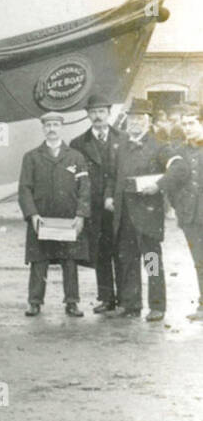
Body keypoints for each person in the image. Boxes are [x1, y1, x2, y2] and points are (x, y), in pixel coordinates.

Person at [109, 97, 191, 322]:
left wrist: (158, 185)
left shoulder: (159, 146)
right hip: (124, 215)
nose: (135, 123)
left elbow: (179, 168)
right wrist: (109, 197)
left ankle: (157, 306)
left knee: (152, 261)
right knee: (127, 261)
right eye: (132, 119)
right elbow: (113, 176)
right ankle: (130, 304)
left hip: (147, 216)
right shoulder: (121, 146)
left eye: (140, 118)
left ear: (149, 121)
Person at [18, 111, 91, 317]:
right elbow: (24, 189)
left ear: (61, 127)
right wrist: (32, 215)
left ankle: (72, 302)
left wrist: (81, 215)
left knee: (70, 261)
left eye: (55, 125)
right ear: (43, 128)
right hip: (41, 218)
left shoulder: (75, 157)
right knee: (39, 261)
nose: (51, 129)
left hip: (68, 218)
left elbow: (85, 187)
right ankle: (34, 302)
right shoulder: (31, 157)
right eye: (48, 125)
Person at [70, 92, 123, 313]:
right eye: (93, 112)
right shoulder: (79, 143)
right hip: (96, 209)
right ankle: (107, 298)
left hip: (120, 208)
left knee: (129, 255)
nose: (98, 116)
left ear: (109, 113)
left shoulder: (124, 139)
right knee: (101, 254)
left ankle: (133, 299)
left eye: (101, 111)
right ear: (88, 115)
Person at [177, 117, 203, 320]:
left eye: (191, 123)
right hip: (190, 216)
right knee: (199, 262)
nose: (187, 128)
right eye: (184, 124)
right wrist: (179, 205)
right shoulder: (179, 151)